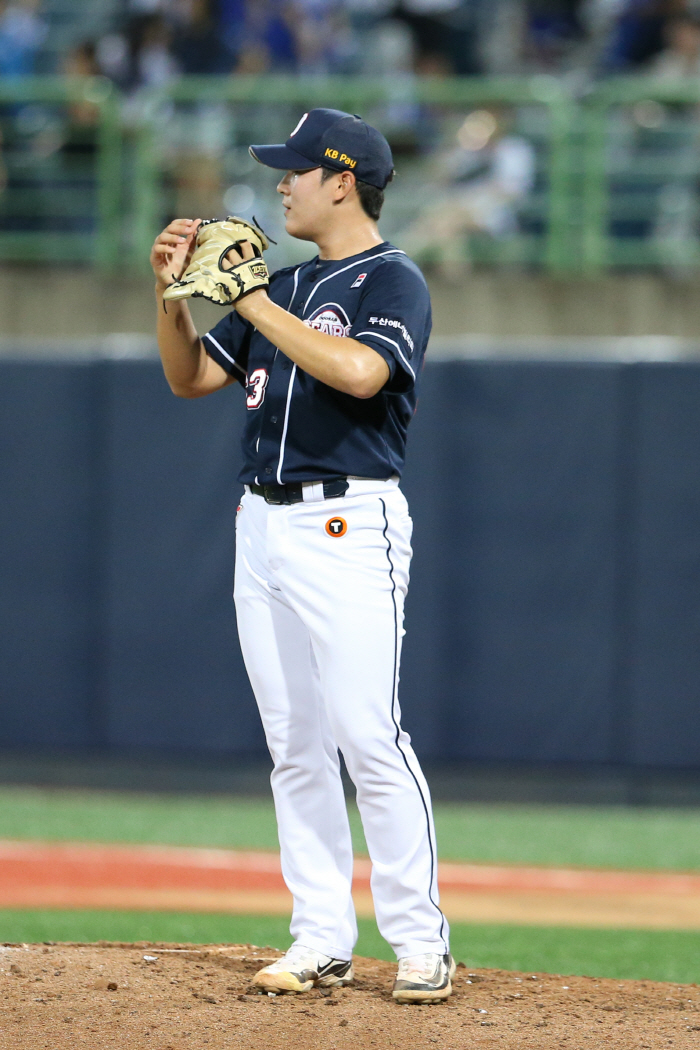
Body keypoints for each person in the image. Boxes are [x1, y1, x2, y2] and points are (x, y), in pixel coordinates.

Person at [150, 108, 454, 1004]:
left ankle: (420, 941)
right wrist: (172, 295)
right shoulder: (278, 284)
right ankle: (320, 936)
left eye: (295, 170)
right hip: (263, 525)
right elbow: (189, 376)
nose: (280, 182)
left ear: (342, 180)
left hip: (347, 524)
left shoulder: (392, 280)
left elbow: (362, 374)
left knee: (369, 735)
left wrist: (249, 303)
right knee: (294, 744)